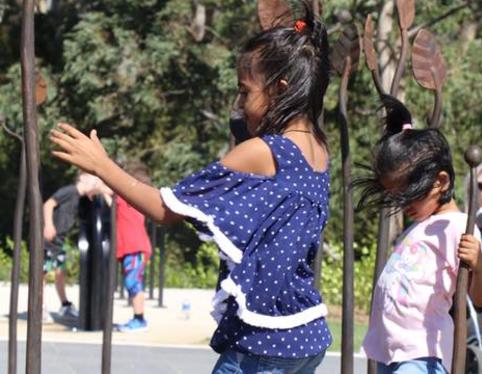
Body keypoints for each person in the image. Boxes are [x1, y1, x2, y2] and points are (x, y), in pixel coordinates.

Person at [50, 3, 331, 372]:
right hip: (306, 335)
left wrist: (103, 166)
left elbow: (167, 210)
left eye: (244, 92)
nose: (239, 104)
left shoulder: (264, 152)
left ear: (279, 90)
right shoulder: (319, 152)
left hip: (264, 343)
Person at [357, 95, 482, 374]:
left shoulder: (458, 225)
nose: (403, 205)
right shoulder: (420, 224)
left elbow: (481, 298)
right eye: (396, 197)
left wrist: (478, 265)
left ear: (440, 182)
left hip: (422, 352)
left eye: (409, 196)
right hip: (393, 351)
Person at [42, 172, 103, 322]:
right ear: (82, 177)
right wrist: (48, 225)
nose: (95, 182)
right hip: (48, 239)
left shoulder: (81, 199)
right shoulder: (69, 191)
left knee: (60, 273)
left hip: (59, 241)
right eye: (92, 178)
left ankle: (65, 304)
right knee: (41, 274)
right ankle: (39, 307)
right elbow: (48, 204)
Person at [114, 160, 153, 332]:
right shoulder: (131, 200)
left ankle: (140, 319)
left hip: (135, 247)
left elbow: (108, 191)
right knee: (132, 282)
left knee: (133, 283)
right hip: (132, 247)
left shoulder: (127, 198)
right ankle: (138, 318)